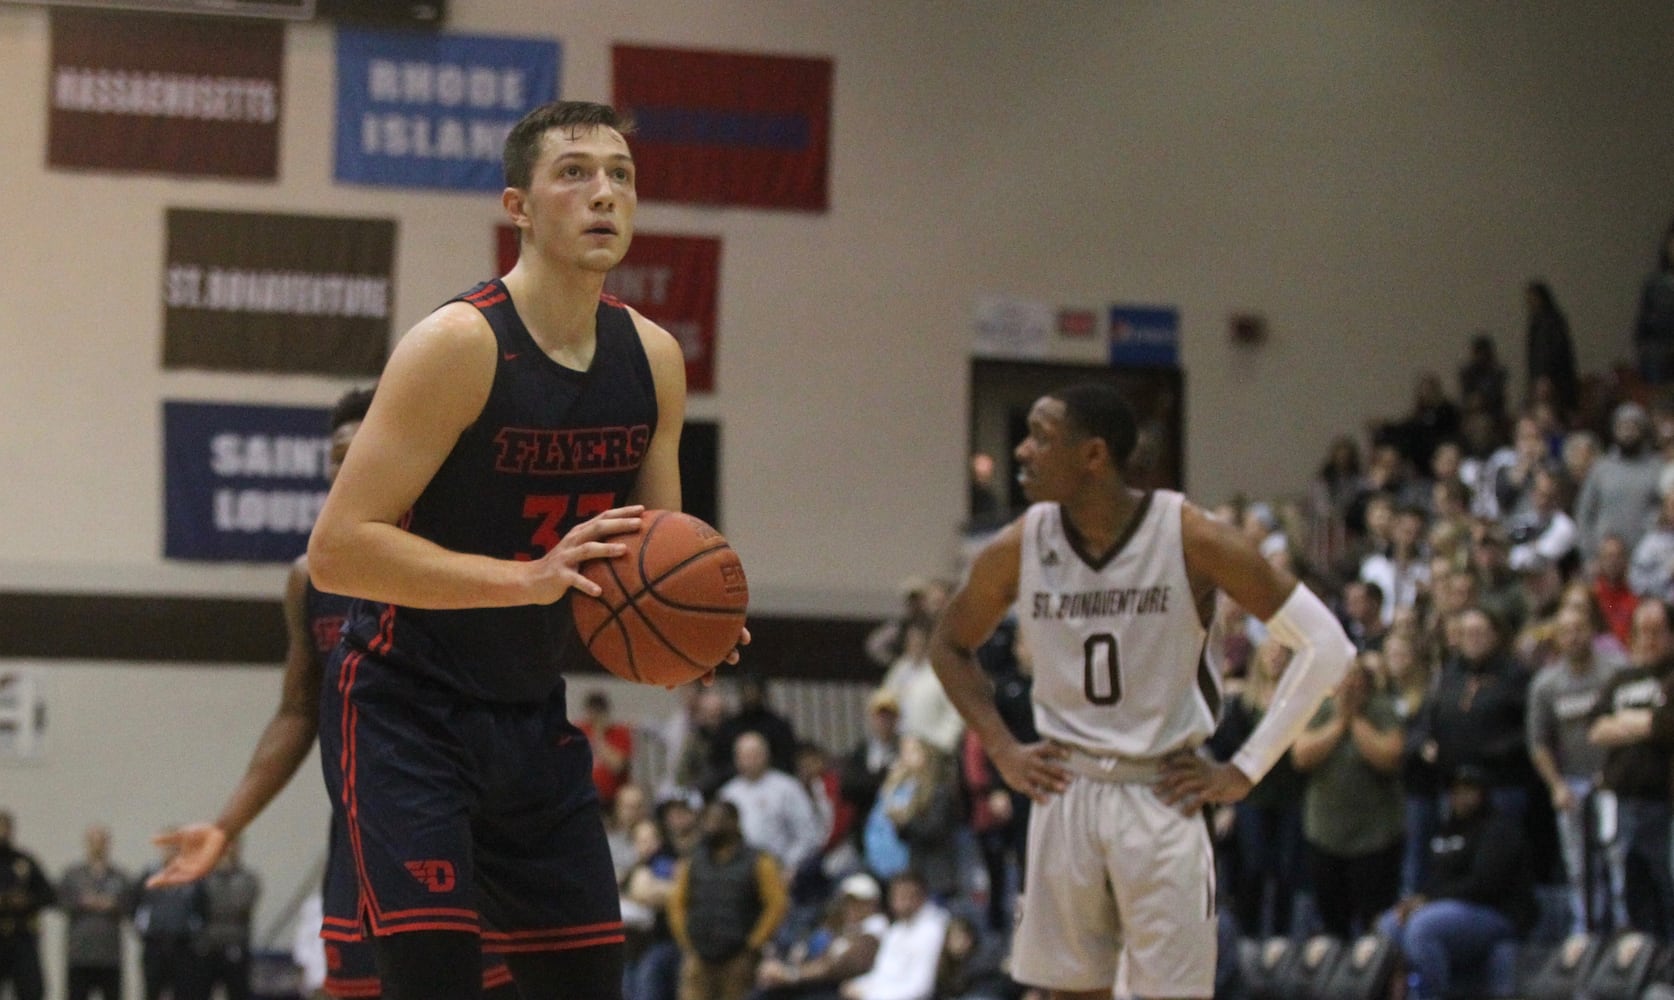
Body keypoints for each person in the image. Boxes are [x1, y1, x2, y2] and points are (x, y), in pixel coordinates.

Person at [305, 100, 744, 1000]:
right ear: (518, 206)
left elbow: (657, 549)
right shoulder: (460, 345)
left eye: (621, 175)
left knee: (586, 980)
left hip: (528, 710)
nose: (604, 194)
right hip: (404, 705)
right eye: (575, 173)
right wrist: (530, 580)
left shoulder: (653, 356)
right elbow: (338, 553)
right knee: (435, 980)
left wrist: (693, 630)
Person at [927, 382, 1354, 1000]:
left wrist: (1245, 769)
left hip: (1160, 791)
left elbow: (1328, 645)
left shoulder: (1190, 536)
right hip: (1064, 786)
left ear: (1093, 456)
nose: (1021, 451)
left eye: (1041, 437)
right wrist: (1002, 748)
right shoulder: (1024, 542)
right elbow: (948, 644)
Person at [1376, 765, 1537, 1000]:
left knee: (1423, 927)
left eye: (1469, 790)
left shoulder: (1499, 829)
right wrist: (1414, 902)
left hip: (1497, 913)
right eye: (1456, 791)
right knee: (1389, 925)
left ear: (1483, 793)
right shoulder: (1446, 831)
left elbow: (1484, 885)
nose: (1461, 797)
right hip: (1451, 911)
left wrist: (1428, 901)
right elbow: (1435, 880)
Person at [1292, 650, 1405, 940]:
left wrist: (1355, 721)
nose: (1350, 685)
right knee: (1332, 919)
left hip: (1374, 836)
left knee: (1374, 922)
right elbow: (1301, 756)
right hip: (1325, 833)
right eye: (1343, 678)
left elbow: (1389, 757)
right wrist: (1340, 721)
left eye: (1356, 678)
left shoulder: (1381, 709)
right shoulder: (1319, 708)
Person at [1527, 605, 1627, 932]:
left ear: (1592, 631)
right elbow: (1539, 742)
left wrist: (1614, 772)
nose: (1573, 636)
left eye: (1580, 628)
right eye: (1566, 630)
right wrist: (1556, 785)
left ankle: (1625, 925)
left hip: (1613, 779)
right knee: (1578, 864)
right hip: (1571, 782)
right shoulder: (1546, 684)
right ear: (1556, 637)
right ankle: (1584, 927)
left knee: (1617, 857)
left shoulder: (1614, 671)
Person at [1587, 599, 1674, 937]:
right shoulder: (1622, 677)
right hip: (1621, 800)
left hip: (1663, 802)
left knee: (1664, 881)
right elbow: (1595, 728)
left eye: (1657, 632)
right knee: (1624, 884)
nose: (1648, 640)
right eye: (1642, 632)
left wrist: (1627, 721)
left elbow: (1668, 725)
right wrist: (1647, 722)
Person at [668, 800, 788, 1000]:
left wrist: (753, 944)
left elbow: (777, 905)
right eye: (708, 820)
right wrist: (687, 941)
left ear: (734, 823)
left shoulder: (759, 861)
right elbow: (676, 904)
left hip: (737, 959)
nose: (711, 826)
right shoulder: (693, 860)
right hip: (699, 957)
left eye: (718, 820)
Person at [59, 823, 132, 1000]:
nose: (97, 846)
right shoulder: (73, 874)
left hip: (109, 955)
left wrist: (113, 905)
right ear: (87, 844)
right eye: (93, 841)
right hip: (79, 954)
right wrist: (82, 902)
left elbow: (131, 905)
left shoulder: (119, 876)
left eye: (101, 841)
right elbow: (60, 902)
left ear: (108, 844)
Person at [0, 810, 54, 1000]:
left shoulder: (24, 861)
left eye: (4, 827)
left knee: (31, 990)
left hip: (22, 937)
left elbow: (49, 895)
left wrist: (27, 901)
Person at [198, 841, 261, 1000]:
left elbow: (241, 905)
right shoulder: (204, 878)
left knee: (238, 992)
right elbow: (200, 906)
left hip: (236, 944)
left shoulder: (248, 878)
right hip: (208, 945)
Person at [1524, 282, 1579, 419]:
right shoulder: (1537, 322)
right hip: (1543, 378)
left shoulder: (1551, 321)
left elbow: (1551, 352)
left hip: (1555, 379)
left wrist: (1544, 376)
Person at [582, 690, 637, 813]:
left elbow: (617, 766)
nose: (595, 716)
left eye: (599, 711)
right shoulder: (580, 731)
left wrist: (598, 737)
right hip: (584, 799)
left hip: (612, 800)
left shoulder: (620, 733)